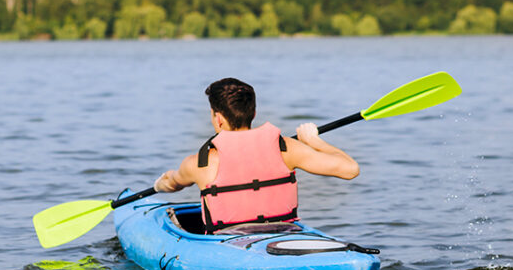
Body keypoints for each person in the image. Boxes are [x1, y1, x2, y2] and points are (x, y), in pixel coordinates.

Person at [154, 77, 359, 235]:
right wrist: (313, 140)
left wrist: (160, 184)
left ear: (218, 118)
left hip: (229, 246)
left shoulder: (200, 164)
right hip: (285, 235)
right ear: (253, 113)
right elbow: (350, 170)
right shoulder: (286, 148)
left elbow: (173, 183)